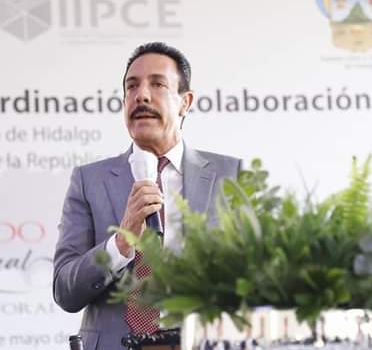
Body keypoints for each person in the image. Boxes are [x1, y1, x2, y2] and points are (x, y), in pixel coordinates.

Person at [52, 42, 242, 350]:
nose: (141, 95)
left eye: (157, 84)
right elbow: (65, 291)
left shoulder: (231, 176)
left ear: (185, 102)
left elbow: (257, 282)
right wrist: (120, 243)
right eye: (132, 86)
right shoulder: (89, 181)